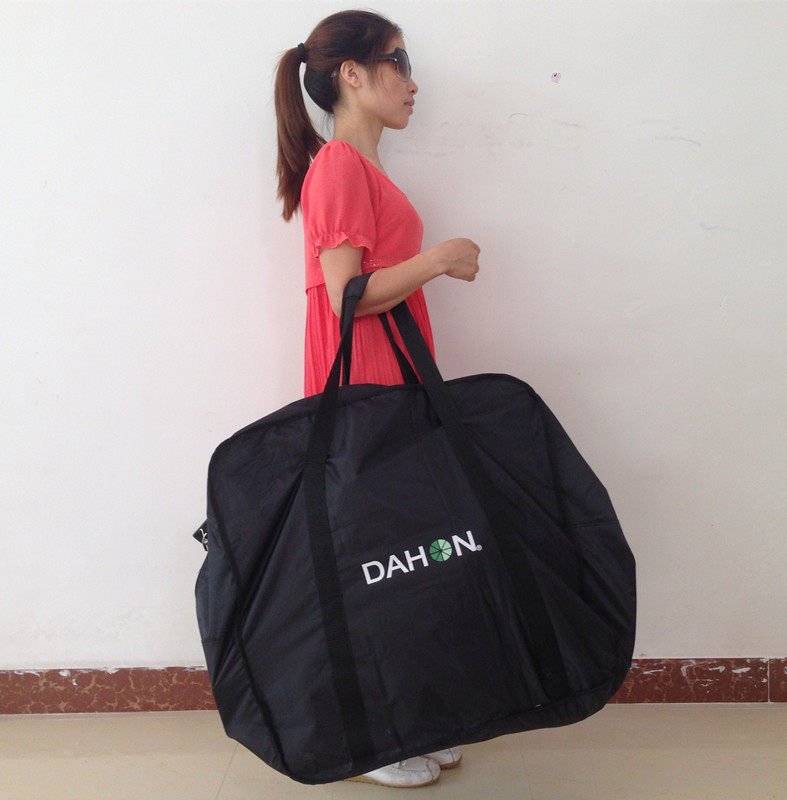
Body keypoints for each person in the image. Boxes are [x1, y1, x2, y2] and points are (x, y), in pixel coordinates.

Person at [273, 9, 479, 788]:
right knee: (378, 560)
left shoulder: (363, 169)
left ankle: (410, 718)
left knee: (408, 551)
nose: (414, 81)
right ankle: (377, 737)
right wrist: (440, 258)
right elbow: (345, 297)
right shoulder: (339, 167)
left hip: (388, 383)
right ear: (352, 74)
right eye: (400, 61)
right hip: (363, 388)